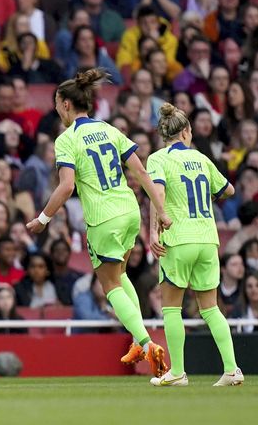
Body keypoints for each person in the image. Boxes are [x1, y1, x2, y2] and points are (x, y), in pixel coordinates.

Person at [25, 68, 171, 378]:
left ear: (66, 104)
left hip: (104, 217)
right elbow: (142, 173)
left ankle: (148, 345)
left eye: (56, 104)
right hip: (130, 211)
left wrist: (43, 219)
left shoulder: (67, 139)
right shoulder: (109, 129)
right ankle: (136, 338)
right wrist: (161, 210)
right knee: (119, 274)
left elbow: (66, 186)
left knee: (108, 286)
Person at [147, 103, 243, 387]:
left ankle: (177, 372)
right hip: (207, 238)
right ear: (187, 131)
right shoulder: (201, 158)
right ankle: (231, 369)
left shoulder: (158, 159)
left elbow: (159, 194)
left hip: (178, 238)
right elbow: (229, 190)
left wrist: (153, 231)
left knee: (172, 308)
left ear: (163, 134)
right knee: (211, 308)